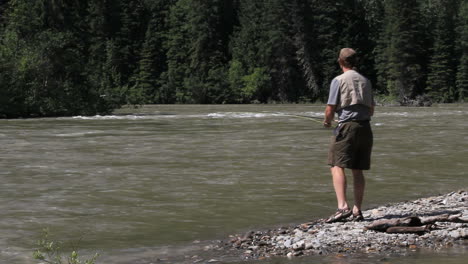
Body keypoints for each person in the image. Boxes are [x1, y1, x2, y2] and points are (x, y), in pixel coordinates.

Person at [323, 48, 375, 223]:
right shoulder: (366, 81)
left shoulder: (338, 80)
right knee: (357, 169)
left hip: (346, 127)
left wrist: (327, 122)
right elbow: (372, 110)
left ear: (340, 61)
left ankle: (342, 207)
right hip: (365, 128)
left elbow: (330, 108)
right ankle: (357, 210)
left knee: (337, 165)